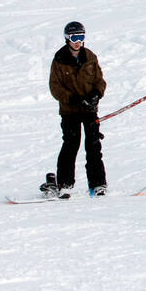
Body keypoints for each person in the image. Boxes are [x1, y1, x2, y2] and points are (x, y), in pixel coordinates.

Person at [46, 20, 108, 197]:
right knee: (71, 145)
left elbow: (100, 81)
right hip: (70, 112)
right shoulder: (59, 60)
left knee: (93, 146)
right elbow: (55, 87)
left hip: (90, 111)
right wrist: (74, 100)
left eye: (81, 37)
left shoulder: (90, 57)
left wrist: (96, 95)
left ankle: (98, 184)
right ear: (67, 39)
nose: (78, 41)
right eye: (74, 37)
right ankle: (65, 184)